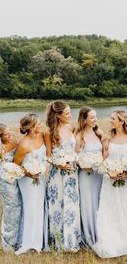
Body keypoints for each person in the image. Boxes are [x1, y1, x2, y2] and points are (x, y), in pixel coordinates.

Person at [92, 110, 127, 258]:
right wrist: (109, 171)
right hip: (109, 180)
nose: (110, 121)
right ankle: (110, 241)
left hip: (126, 181)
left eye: (113, 119)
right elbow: (104, 158)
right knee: (110, 209)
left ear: (122, 121)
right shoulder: (107, 138)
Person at [45, 100, 81, 252]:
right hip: (57, 175)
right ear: (59, 116)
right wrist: (57, 163)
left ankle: (71, 240)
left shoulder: (71, 127)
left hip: (71, 174)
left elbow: (76, 149)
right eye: (67, 114)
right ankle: (58, 240)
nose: (70, 115)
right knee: (57, 206)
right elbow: (47, 156)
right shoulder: (49, 133)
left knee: (71, 205)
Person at [14, 114, 47, 255]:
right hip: (27, 180)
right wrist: (29, 173)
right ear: (31, 127)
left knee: (39, 208)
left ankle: (38, 242)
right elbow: (15, 165)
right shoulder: (23, 144)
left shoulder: (42, 136)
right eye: (38, 123)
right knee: (31, 209)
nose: (41, 125)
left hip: (40, 178)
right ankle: (28, 243)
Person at [75, 107, 104, 248]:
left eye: (96, 117)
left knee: (99, 203)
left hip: (99, 175)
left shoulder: (98, 133)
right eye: (92, 117)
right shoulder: (79, 135)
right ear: (84, 119)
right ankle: (89, 237)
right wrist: (81, 165)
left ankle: (101, 234)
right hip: (86, 175)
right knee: (88, 205)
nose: (95, 120)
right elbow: (74, 156)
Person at [0, 124, 22, 251]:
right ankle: (8, 242)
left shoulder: (14, 141)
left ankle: (18, 238)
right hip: (4, 182)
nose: (10, 135)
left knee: (18, 206)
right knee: (11, 207)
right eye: (7, 134)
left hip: (15, 178)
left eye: (10, 132)